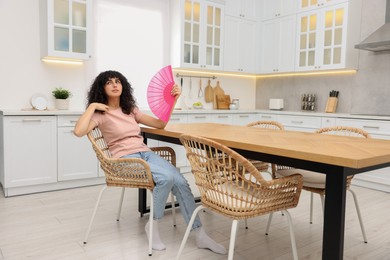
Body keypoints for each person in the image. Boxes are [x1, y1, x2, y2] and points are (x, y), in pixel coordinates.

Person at [74, 70, 226, 254]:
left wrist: (173, 100)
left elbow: (160, 124)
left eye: (118, 81)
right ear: (101, 88)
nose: (115, 85)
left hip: (145, 153)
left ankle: (200, 234)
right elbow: (79, 131)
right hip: (124, 159)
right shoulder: (100, 114)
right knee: (166, 178)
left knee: (180, 180)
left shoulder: (130, 109)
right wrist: (92, 107)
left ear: (123, 86)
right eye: (109, 82)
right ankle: (152, 227)